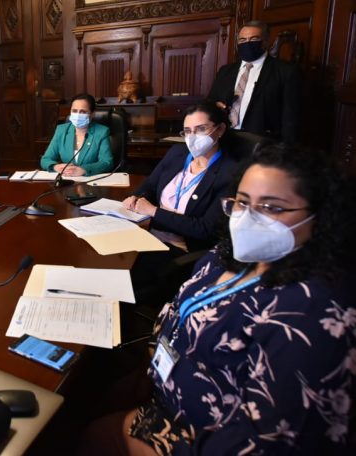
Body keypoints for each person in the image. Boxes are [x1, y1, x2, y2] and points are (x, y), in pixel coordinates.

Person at [84, 143, 356, 455]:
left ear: (320, 217)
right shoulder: (225, 256)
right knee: (83, 400)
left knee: (93, 435)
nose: (249, 217)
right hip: (160, 380)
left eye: (271, 207)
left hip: (200, 435)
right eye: (242, 202)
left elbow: (270, 441)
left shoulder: (317, 314)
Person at [124, 101, 238, 254]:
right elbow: (150, 185)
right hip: (148, 232)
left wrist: (153, 211)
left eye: (201, 129)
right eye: (187, 131)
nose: (193, 137)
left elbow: (205, 229)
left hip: (180, 248)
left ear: (220, 129)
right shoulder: (177, 152)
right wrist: (136, 197)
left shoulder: (230, 173)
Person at [207, 20, 300, 143]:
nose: (247, 43)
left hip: (262, 142)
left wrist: (286, 148)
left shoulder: (285, 71)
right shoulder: (225, 71)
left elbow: (290, 117)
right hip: (225, 138)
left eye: (254, 39)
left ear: (265, 42)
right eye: (242, 40)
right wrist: (216, 105)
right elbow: (210, 102)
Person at [40, 93, 114, 176]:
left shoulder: (102, 132)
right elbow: (45, 159)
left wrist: (84, 170)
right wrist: (56, 167)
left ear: (92, 114)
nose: (78, 115)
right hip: (67, 179)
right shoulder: (61, 130)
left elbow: (107, 162)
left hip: (90, 180)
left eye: (83, 112)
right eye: (74, 111)